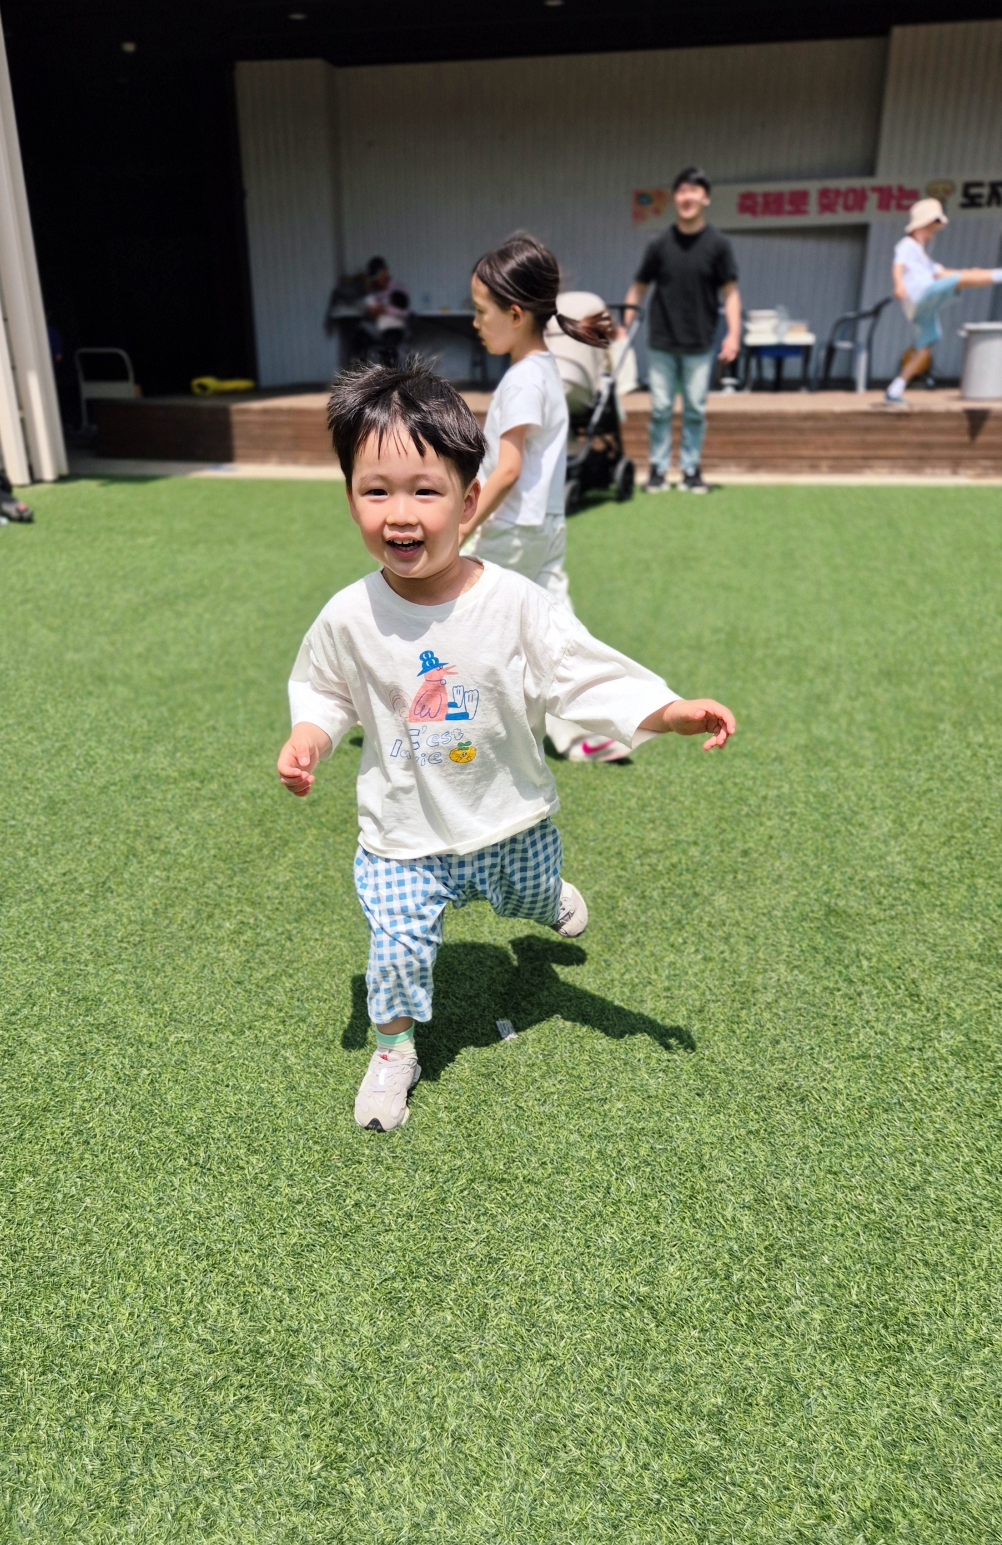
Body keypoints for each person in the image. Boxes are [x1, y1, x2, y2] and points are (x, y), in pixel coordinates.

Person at [276, 360, 736, 1132]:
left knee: (526, 897)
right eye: (375, 490)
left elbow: (581, 676)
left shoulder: (514, 604)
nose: (400, 513)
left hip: (505, 815)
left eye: (425, 490)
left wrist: (666, 710)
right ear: (349, 495)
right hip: (402, 833)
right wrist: (309, 737)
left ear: (469, 495)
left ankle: (547, 897)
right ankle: (395, 1051)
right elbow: (326, 689)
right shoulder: (348, 615)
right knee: (395, 947)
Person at [464, 232, 625, 762]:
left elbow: (506, 470)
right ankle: (590, 732)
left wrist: (464, 529)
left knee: (462, 622)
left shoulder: (521, 381)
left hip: (509, 530)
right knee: (558, 635)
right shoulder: (544, 372)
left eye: (480, 310)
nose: (475, 321)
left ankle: (458, 728)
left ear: (514, 314)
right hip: (547, 527)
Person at [620, 165, 741, 495]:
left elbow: (730, 293)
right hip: (662, 340)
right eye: (682, 191)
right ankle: (658, 469)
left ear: (705, 198)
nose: (687, 197)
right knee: (659, 408)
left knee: (695, 410)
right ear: (675, 199)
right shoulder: (659, 245)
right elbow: (639, 287)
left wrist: (733, 334)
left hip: (700, 342)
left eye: (694, 191)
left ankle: (690, 470)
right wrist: (623, 326)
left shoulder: (718, 245)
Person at [883, 198, 1002, 406]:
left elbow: (944, 272)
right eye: (929, 230)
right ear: (919, 226)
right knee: (963, 278)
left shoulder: (923, 257)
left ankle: (896, 388)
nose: (930, 235)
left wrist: (972, 274)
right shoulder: (907, 244)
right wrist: (898, 285)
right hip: (922, 293)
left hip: (921, 309)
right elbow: (897, 266)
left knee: (925, 349)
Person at [352, 256, 410, 367]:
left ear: (385, 272)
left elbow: (404, 313)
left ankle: (390, 375)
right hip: (376, 327)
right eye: (374, 279)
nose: (377, 281)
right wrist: (370, 313)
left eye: (378, 276)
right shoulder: (374, 293)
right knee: (359, 336)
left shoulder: (399, 288)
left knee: (390, 343)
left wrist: (384, 309)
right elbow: (368, 311)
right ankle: (361, 373)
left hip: (394, 328)